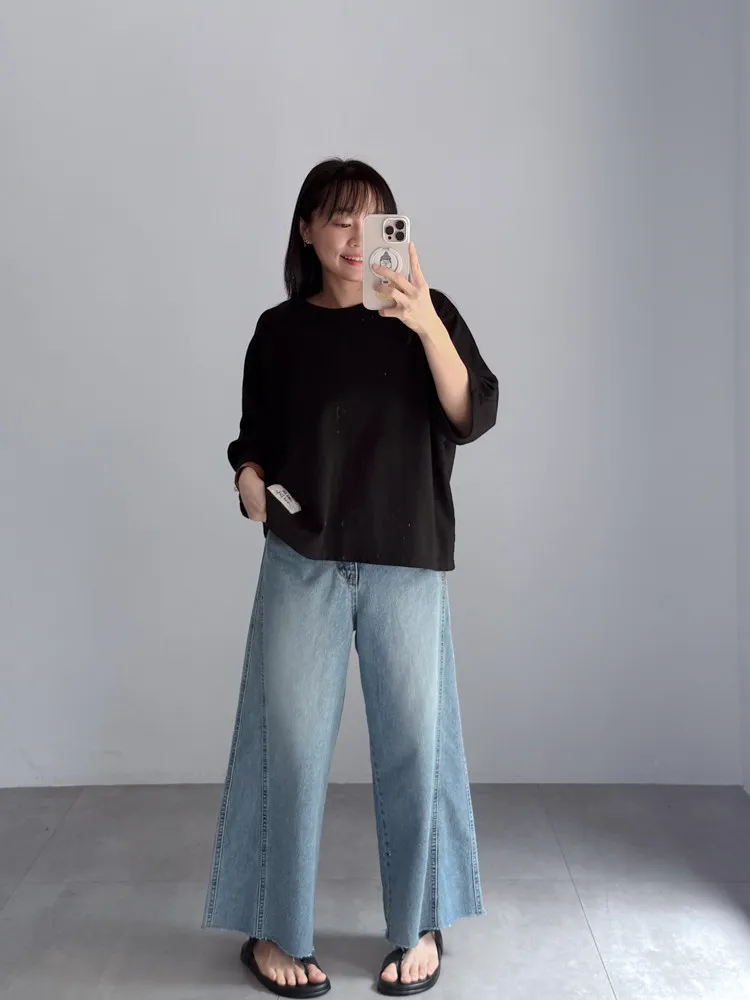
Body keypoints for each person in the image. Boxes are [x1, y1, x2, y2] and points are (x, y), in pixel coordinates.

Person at [202, 158, 499, 997]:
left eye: (371, 220)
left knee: (417, 747)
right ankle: (274, 930)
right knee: (289, 748)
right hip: (304, 560)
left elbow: (472, 413)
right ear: (305, 230)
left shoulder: (428, 315)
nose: (353, 237)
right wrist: (248, 479)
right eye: (336, 218)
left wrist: (425, 322)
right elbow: (254, 438)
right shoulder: (279, 330)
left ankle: (421, 925)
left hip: (407, 563)